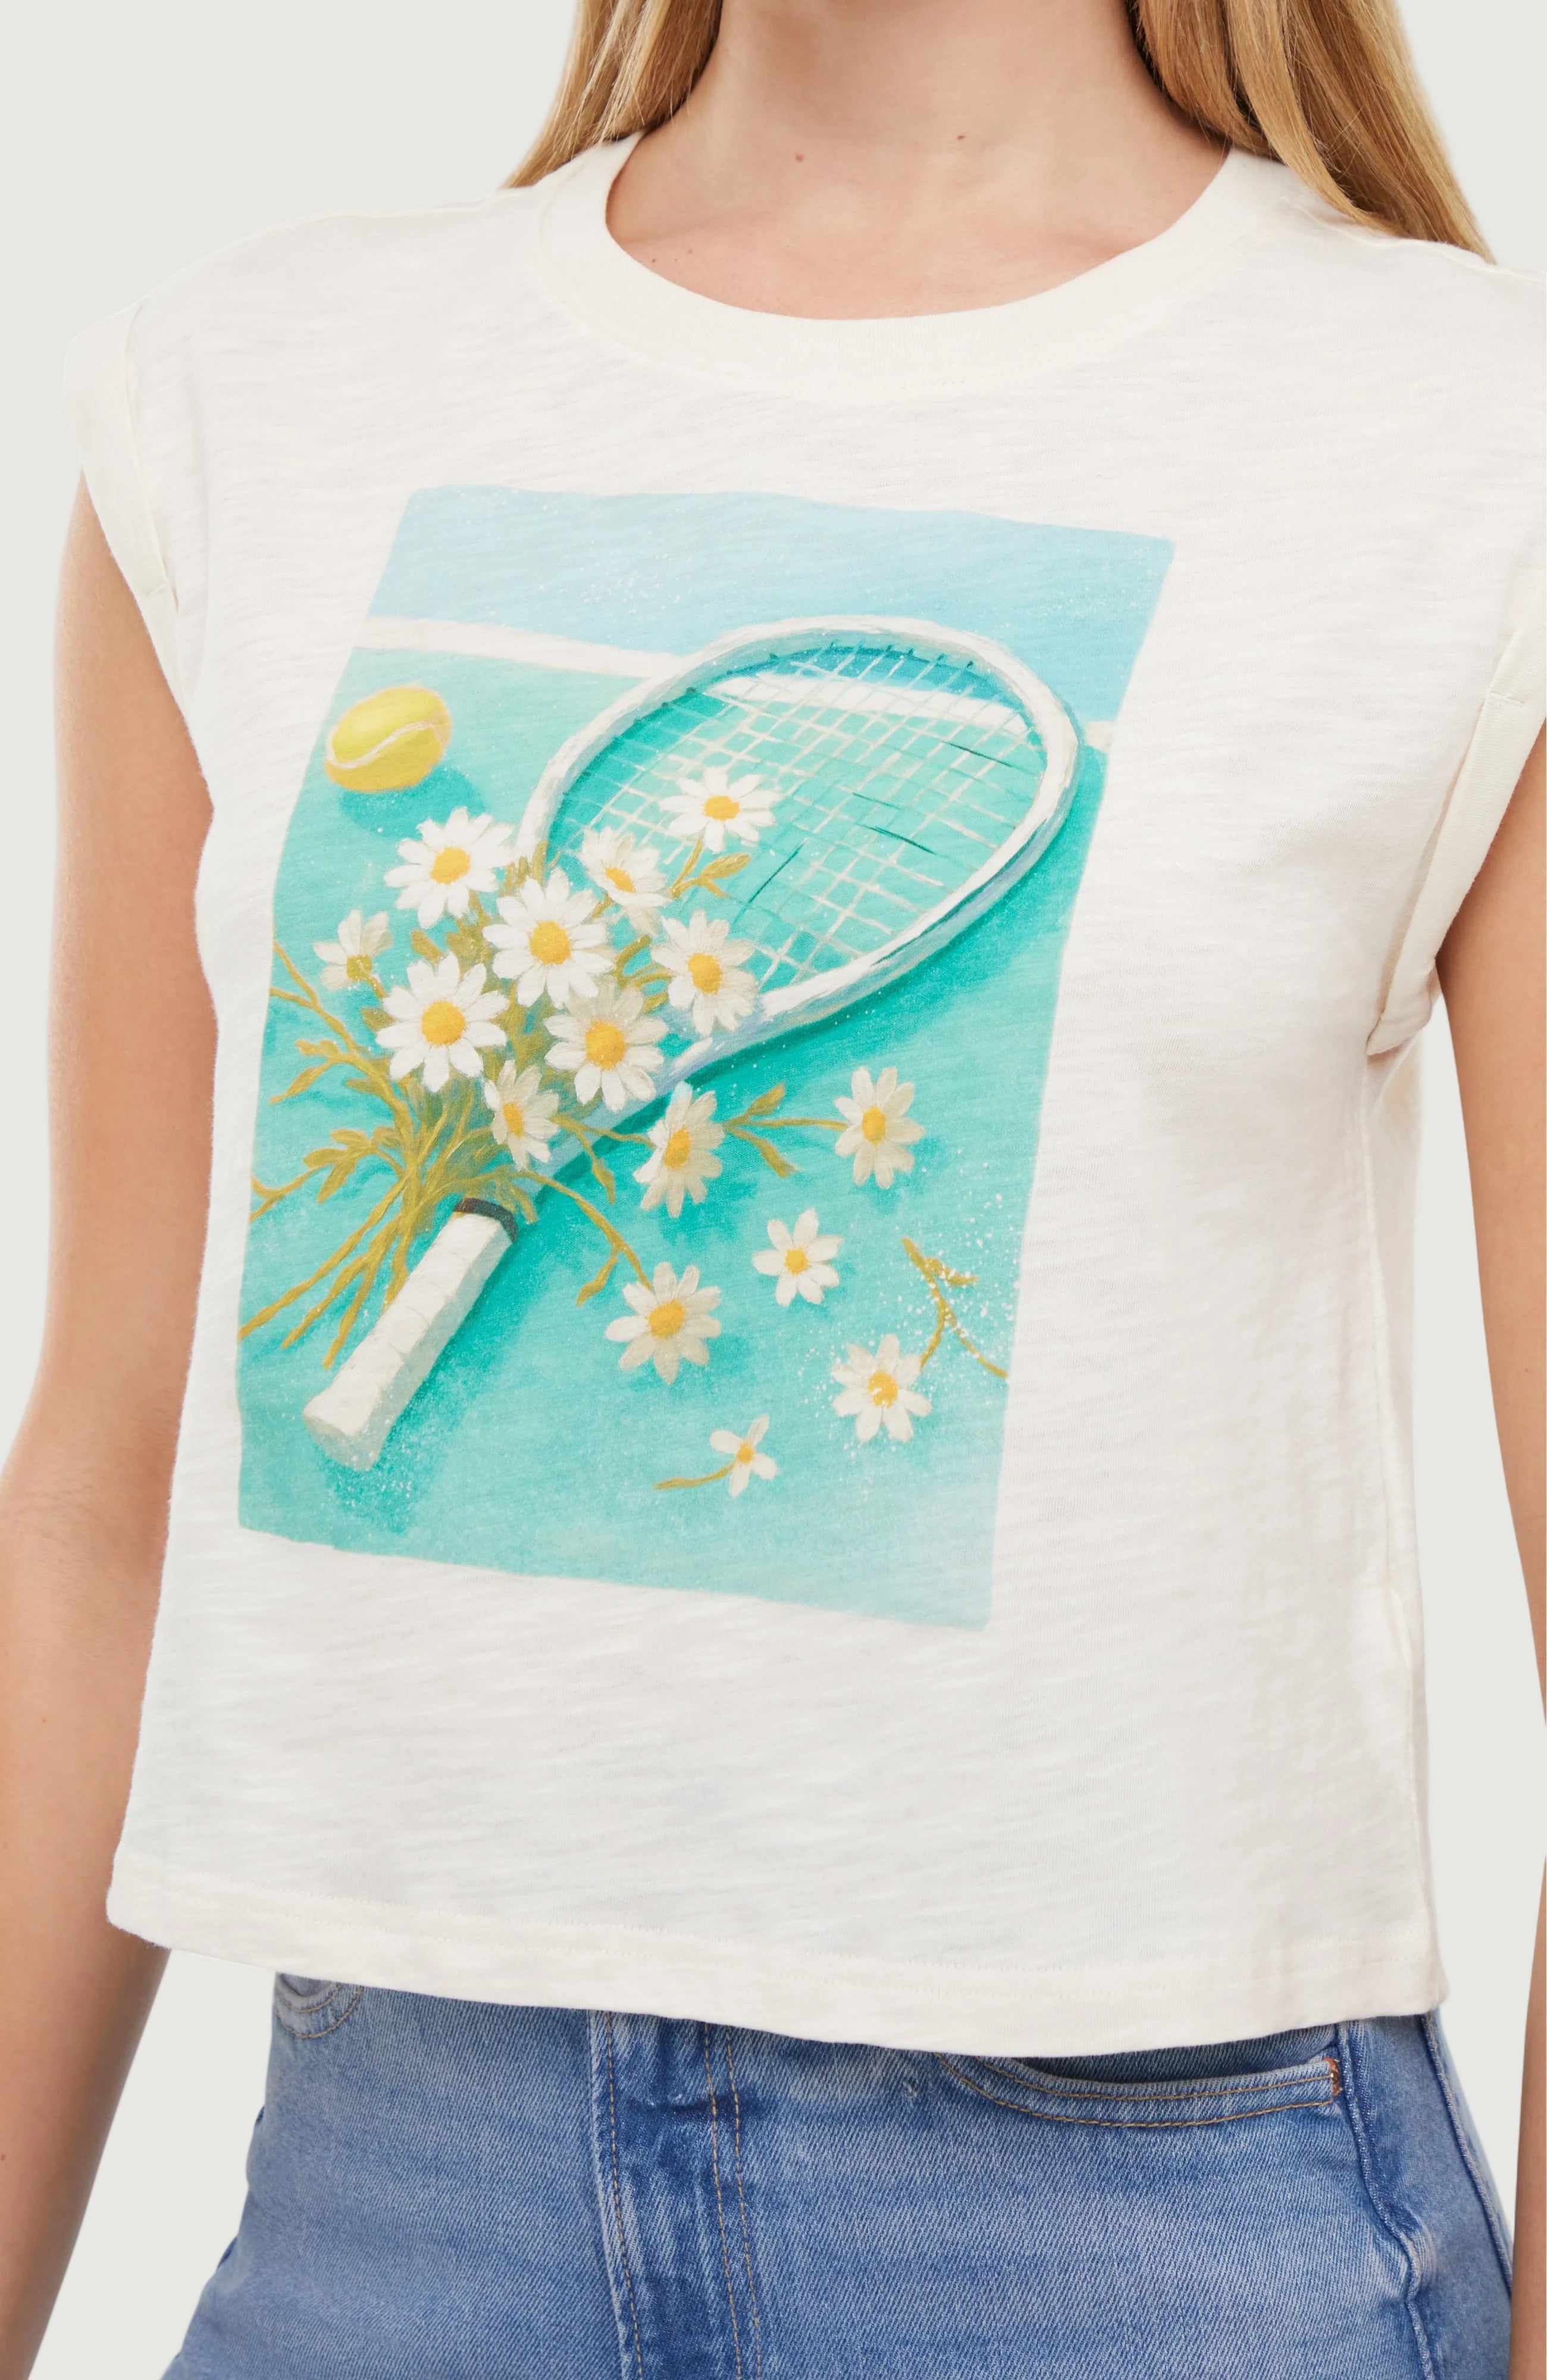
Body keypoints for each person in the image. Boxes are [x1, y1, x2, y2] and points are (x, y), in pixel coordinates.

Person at [1, 0, 1541, 2370]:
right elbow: (96, 1490)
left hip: (1154, 2245)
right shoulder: (244, 393)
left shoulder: (1465, 439)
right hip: (384, 2197)